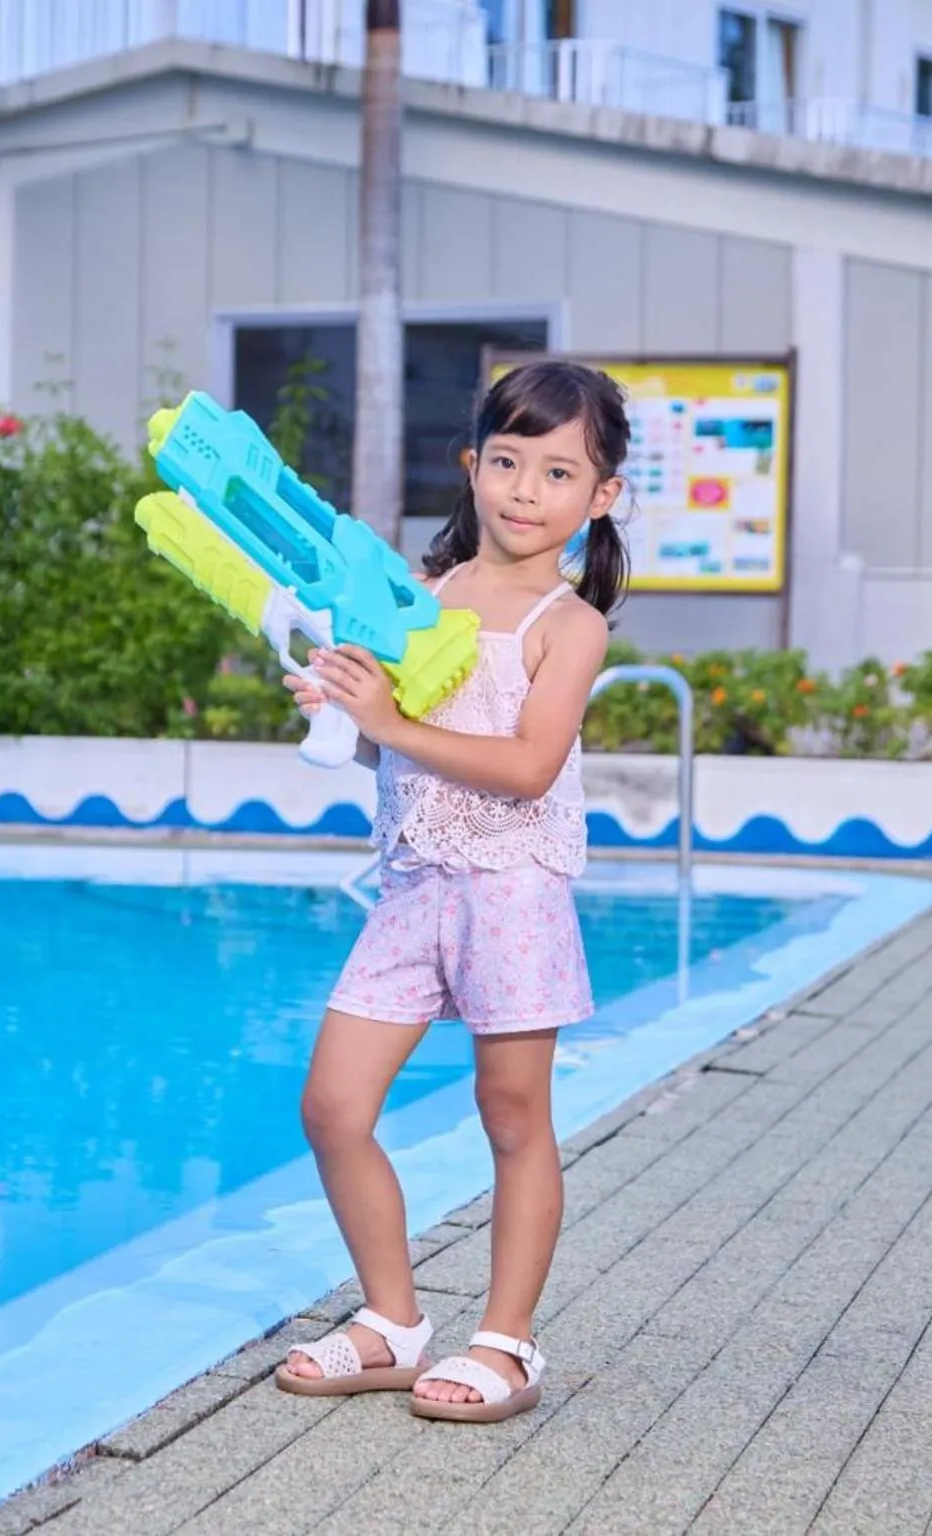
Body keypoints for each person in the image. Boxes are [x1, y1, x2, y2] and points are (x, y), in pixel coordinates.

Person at [274, 359, 630, 1424]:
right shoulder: (418, 599)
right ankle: (391, 1323)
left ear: (598, 495)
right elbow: (387, 751)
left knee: (512, 1118)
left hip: (511, 891)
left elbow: (526, 767)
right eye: (507, 462)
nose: (525, 491)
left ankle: (506, 1344)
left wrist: (388, 725)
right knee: (332, 1107)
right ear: (471, 468)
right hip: (413, 888)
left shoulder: (569, 626)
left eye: (556, 472)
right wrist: (342, 708)